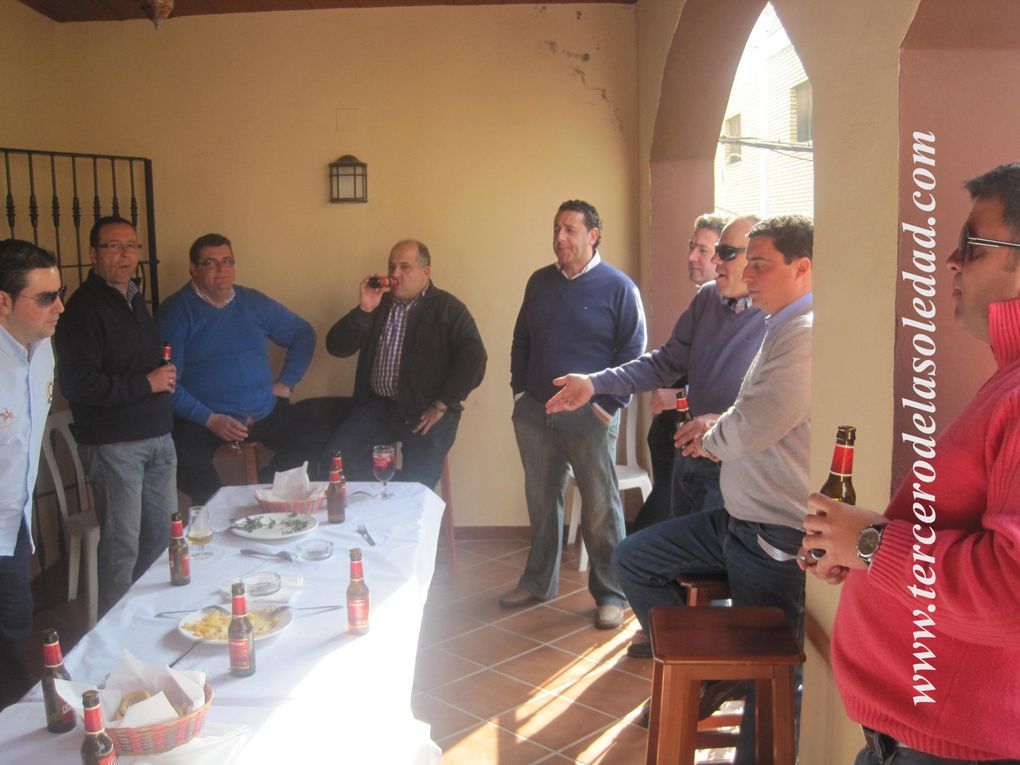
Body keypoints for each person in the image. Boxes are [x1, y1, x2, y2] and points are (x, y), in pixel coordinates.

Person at [802, 163, 1020, 763]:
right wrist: (863, 554)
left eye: (973, 244)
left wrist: (872, 544)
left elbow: (1011, 593)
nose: (951, 260)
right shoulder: (1005, 380)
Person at [612, 215, 813, 762]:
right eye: (741, 261)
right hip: (736, 522)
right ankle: (708, 670)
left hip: (774, 534)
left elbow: (754, 423)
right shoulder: (778, 325)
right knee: (633, 557)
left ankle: (725, 683)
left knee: (765, 679)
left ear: (803, 269)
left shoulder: (806, 334)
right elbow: (736, 406)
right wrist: (712, 422)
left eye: (758, 263)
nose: (747, 275)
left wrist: (712, 432)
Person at [546, 214, 767, 656]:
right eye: (712, 251)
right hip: (691, 458)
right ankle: (676, 645)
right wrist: (596, 383)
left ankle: (701, 668)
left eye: (725, 253)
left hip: (736, 469)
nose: (711, 262)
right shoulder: (706, 301)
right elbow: (664, 362)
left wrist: (719, 422)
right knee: (674, 566)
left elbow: (774, 403)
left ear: (757, 261)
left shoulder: (778, 318)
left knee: (715, 579)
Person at [502, 199, 646, 630]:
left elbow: (634, 356)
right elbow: (521, 339)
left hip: (589, 417)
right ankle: (537, 581)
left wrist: (606, 408)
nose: (560, 238)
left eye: (570, 229)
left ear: (592, 235)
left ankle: (612, 594)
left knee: (601, 506)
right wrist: (520, 393)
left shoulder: (620, 288)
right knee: (541, 501)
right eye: (556, 229)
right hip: (535, 415)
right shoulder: (539, 282)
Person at [55, 216, 177, 615]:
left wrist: (158, 377)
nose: (125, 254)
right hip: (114, 444)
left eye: (132, 246)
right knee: (122, 544)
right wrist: (148, 383)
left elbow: (133, 365)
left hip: (157, 435)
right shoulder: (82, 310)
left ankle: (151, 615)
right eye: (113, 246)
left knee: (161, 539)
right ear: (93, 254)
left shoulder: (133, 297)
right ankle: (116, 630)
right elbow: (78, 384)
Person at [156, 233, 328, 504]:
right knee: (183, 461)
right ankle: (221, 510)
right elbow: (167, 384)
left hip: (263, 411)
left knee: (318, 435)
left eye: (227, 261)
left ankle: (266, 494)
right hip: (204, 418)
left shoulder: (252, 302)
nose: (222, 269)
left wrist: (286, 383)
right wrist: (210, 419)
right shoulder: (176, 311)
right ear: (193, 269)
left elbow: (303, 334)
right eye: (211, 263)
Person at [323, 239, 486, 488]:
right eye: (392, 267)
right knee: (336, 461)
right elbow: (336, 346)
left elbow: (475, 358)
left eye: (404, 267)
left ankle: (401, 498)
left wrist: (443, 403)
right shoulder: (378, 305)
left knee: (417, 485)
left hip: (426, 412)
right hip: (378, 407)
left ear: (426, 272)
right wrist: (364, 310)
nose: (395, 274)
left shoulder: (448, 308)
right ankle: (386, 498)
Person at [637, 213, 733, 531]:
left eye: (703, 250)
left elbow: (737, 387)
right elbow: (672, 361)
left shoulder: (754, 313)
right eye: (691, 247)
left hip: (705, 449)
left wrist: (680, 395)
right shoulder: (705, 300)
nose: (692, 256)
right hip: (673, 444)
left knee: (655, 535)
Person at [0, 239, 63, 708]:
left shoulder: (43, 350)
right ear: (3, 301)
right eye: (45, 298)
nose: (59, 306)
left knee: (14, 626)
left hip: (12, 522)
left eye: (59, 293)